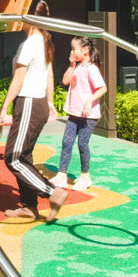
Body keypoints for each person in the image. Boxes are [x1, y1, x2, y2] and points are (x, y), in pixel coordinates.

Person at [0, 1, 63, 222]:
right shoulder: (42, 42)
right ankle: (29, 206)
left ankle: (53, 192)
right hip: (39, 102)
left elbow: (19, 79)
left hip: (30, 103)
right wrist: (50, 102)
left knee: (13, 158)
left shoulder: (31, 44)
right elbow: (49, 74)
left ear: (29, 18)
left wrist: (4, 107)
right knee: (24, 156)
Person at [52, 36, 106, 194]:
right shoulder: (77, 67)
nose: (72, 51)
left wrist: (90, 100)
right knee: (66, 143)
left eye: (74, 48)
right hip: (75, 114)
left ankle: (85, 176)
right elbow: (65, 81)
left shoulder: (91, 69)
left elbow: (102, 88)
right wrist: (71, 65)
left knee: (82, 145)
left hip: (88, 116)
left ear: (85, 50)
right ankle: (61, 175)